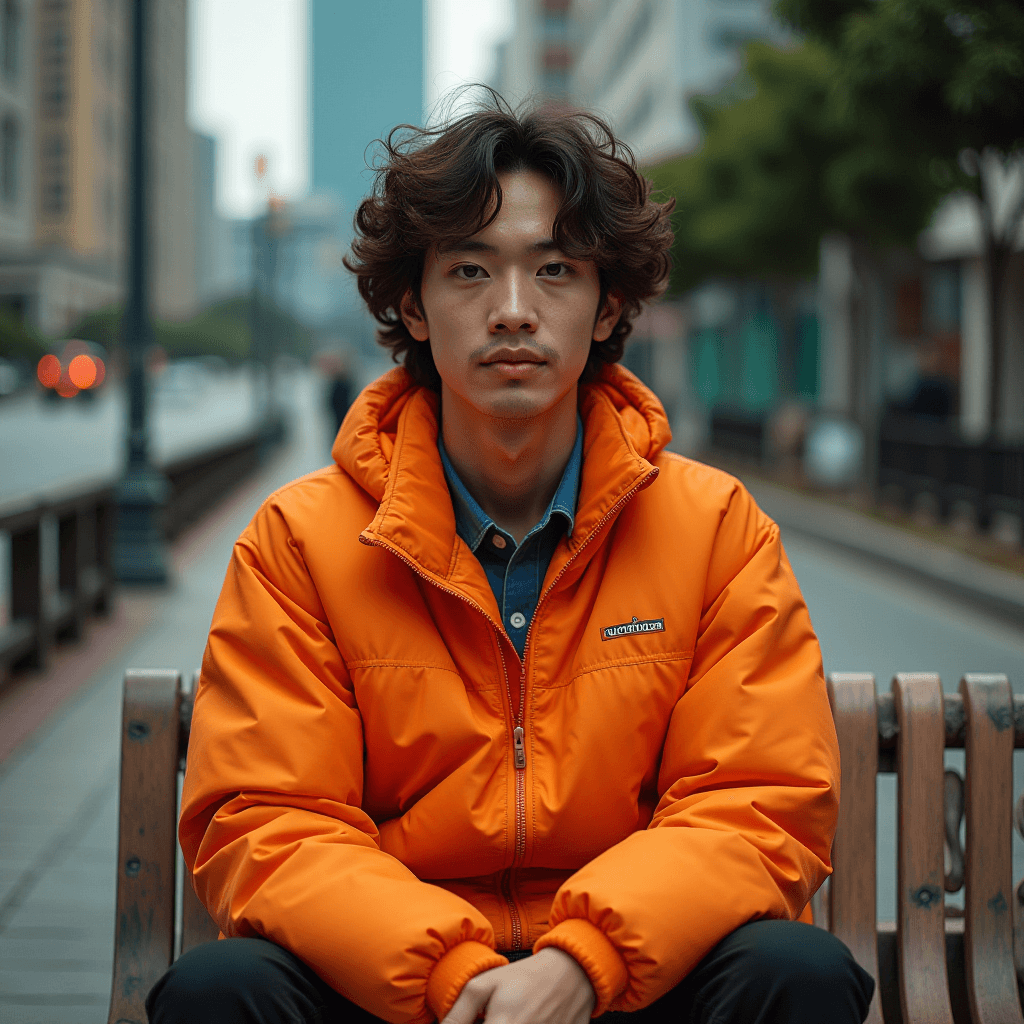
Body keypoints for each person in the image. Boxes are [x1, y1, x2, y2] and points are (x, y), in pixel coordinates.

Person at [147, 97, 874, 1024]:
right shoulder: (299, 542)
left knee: (796, 970)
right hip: (401, 992)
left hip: (629, 985)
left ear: (607, 303)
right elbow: (270, 820)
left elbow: (755, 804)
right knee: (221, 990)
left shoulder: (716, 529)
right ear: (412, 303)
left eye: (556, 270)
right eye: (470, 270)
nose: (515, 311)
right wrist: (457, 976)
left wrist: (582, 963)